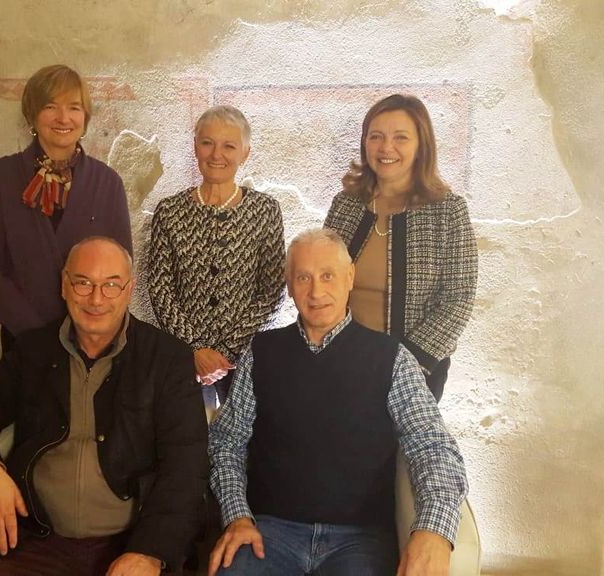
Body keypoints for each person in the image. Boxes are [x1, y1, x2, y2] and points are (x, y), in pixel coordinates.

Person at [0, 237, 208, 576]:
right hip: (39, 542)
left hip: (131, 543)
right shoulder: (34, 351)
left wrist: (149, 552)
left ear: (129, 289)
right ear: (64, 285)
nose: (96, 299)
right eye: (83, 283)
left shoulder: (167, 359)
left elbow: (186, 466)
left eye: (111, 285)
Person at [207, 229, 467, 576]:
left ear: (350, 277)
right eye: (303, 277)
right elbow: (226, 441)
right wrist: (237, 516)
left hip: (361, 540)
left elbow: (431, 445)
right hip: (269, 533)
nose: (316, 292)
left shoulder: (391, 358)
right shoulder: (261, 352)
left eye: (328, 275)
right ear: (289, 284)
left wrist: (434, 530)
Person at [323, 94, 477, 400]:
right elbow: (322, 277)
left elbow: (458, 299)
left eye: (401, 138)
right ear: (365, 143)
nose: (386, 147)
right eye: (376, 136)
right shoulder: (345, 204)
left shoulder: (448, 211)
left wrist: (403, 366)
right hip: (341, 360)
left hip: (414, 370)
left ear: (421, 145)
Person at [0, 64, 132, 354]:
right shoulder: (2, 176)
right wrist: (37, 338)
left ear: (85, 117)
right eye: (50, 106)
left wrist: (89, 329)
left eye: (74, 107)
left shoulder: (107, 182)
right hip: (24, 342)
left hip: (92, 341)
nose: (63, 118)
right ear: (32, 115)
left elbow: (120, 271)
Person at [147, 105, 285, 405]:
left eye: (229, 146)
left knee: (247, 432)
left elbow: (273, 291)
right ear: (195, 147)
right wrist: (195, 348)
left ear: (245, 153)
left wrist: (226, 351)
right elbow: (160, 288)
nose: (216, 154)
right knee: (186, 430)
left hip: (245, 359)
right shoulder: (169, 212)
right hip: (183, 359)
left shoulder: (265, 211)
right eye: (207, 143)